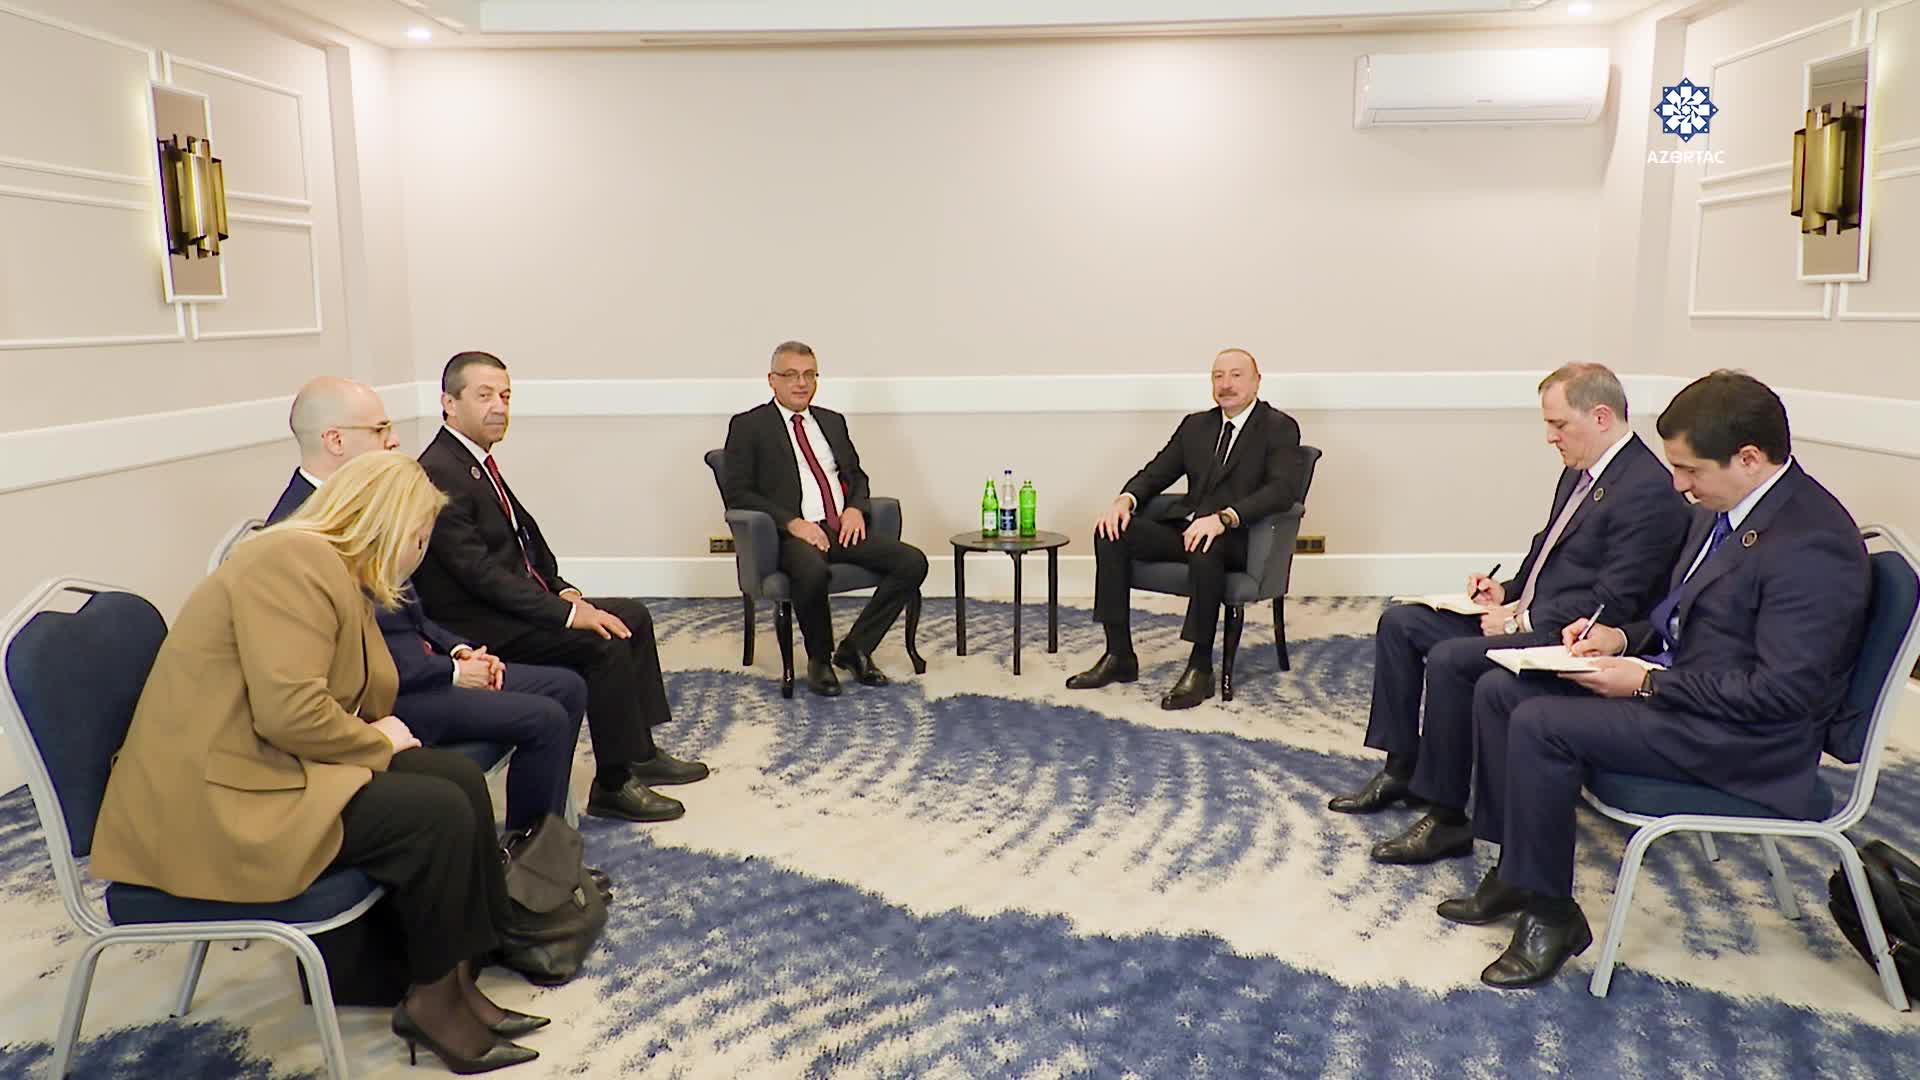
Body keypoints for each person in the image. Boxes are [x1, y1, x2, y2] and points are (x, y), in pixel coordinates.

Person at [92, 452, 546, 1073]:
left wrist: (383, 726)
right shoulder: (289, 565)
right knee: (435, 810)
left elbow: (357, 690)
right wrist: (380, 743)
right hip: (218, 796)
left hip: (263, 760)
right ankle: (434, 1002)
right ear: (387, 526)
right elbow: (292, 713)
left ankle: (457, 982)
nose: (420, 555)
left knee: (459, 780)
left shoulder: (333, 569)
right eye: (419, 538)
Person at [1443, 370, 1869, 989]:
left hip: (1745, 740)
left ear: (1749, 459)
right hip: (1688, 689)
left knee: (1539, 722)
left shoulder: (1812, 545)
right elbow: (1681, 619)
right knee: (1500, 689)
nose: (1678, 485)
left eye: (1690, 470)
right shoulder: (1723, 509)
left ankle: (1551, 915)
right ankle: (1519, 871)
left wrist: (1646, 684)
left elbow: (1784, 695)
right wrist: (1621, 639)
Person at [1332, 364, 1691, 868]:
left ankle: (1447, 816)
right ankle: (1403, 768)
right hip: (1529, 614)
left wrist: (1522, 620)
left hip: (1572, 635)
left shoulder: (1646, 489)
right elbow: (1549, 550)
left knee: (1452, 661)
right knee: (1402, 623)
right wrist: (1507, 590)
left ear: (1601, 416)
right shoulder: (1583, 469)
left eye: (1558, 424)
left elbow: (1616, 600)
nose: (1550, 437)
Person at [268, 376, 590, 836]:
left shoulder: (360, 505)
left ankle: (543, 850)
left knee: (566, 687)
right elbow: (357, 658)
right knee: (545, 717)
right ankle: (528, 851)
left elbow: (408, 608)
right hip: (385, 697)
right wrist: (453, 673)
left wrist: (458, 651)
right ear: (335, 440)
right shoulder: (300, 530)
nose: (394, 440)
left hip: (423, 667)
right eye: (380, 429)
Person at [411, 351, 709, 824]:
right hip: (477, 622)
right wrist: (568, 615)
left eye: (505, 396)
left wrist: (563, 589)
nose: (499, 407)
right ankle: (613, 784)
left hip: (509, 603)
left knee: (632, 614)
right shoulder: (439, 471)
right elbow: (480, 575)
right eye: (484, 396)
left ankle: (638, 752)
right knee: (601, 640)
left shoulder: (473, 461)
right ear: (449, 403)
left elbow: (525, 540)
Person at [1065, 347, 1304, 710]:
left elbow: (1282, 491)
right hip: (1188, 530)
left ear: (1257, 381)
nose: (1226, 384)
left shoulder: (1278, 427)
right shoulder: (1196, 426)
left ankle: (1200, 667)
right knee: (1111, 532)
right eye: (1218, 376)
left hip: (1240, 539)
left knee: (1206, 544)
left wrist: (1225, 518)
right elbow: (1157, 472)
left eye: (1236, 375)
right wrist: (1124, 500)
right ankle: (1119, 654)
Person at [719, 341, 929, 697]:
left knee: (911, 562)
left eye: (809, 374)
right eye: (791, 375)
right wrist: (793, 523)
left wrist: (855, 509)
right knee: (812, 570)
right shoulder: (749, 425)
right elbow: (739, 493)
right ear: (772, 380)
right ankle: (819, 659)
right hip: (789, 535)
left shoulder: (832, 421)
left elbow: (856, 476)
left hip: (838, 527)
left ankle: (856, 649)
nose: (801, 383)